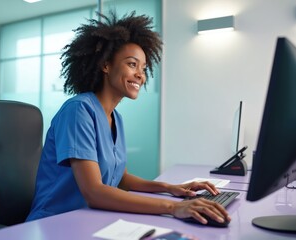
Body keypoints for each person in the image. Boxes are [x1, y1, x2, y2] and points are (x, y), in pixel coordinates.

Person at [26, 11, 230, 226]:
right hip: (54, 224)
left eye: (143, 68)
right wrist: (173, 207)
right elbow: (94, 192)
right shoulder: (78, 110)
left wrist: (171, 188)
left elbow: (120, 178)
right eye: (132, 64)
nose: (141, 75)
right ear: (106, 65)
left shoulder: (116, 118)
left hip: (91, 219)